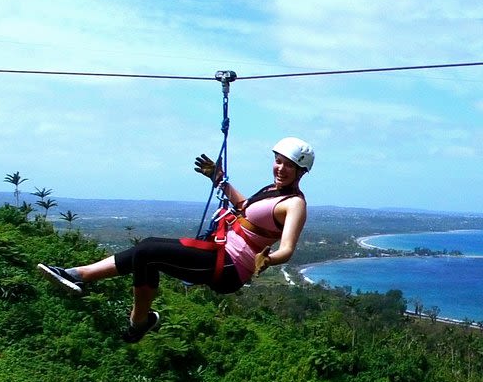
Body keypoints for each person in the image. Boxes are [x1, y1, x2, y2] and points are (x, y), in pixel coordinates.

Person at [37, 137, 314, 343]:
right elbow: (244, 207)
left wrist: (267, 259)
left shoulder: (295, 204)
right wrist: (219, 179)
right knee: (146, 251)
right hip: (220, 251)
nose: (280, 168)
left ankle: (139, 322)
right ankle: (76, 275)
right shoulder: (271, 190)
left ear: (300, 172)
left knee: (148, 251)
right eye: (278, 161)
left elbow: (287, 248)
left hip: (230, 266)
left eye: (288, 166)